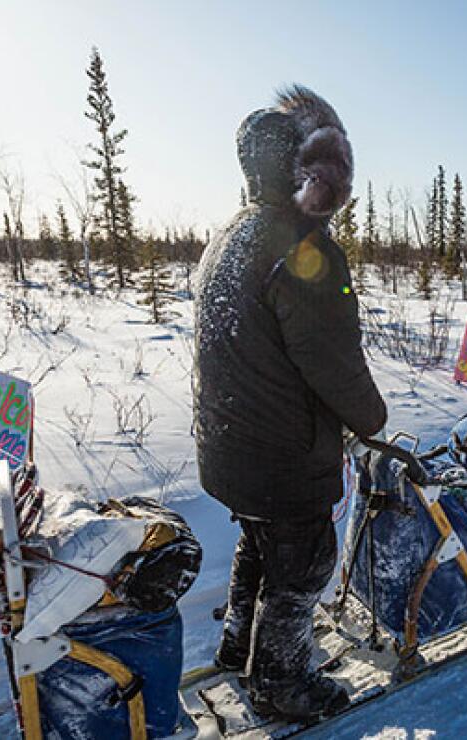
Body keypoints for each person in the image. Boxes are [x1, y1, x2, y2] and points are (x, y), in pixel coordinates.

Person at [193, 85, 387, 721]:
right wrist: (372, 420)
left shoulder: (231, 236)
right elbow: (331, 360)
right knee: (303, 563)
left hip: (229, 449)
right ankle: (280, 679)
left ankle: (239, 646)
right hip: (282, 452)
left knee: (261, 542)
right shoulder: (304, 252)